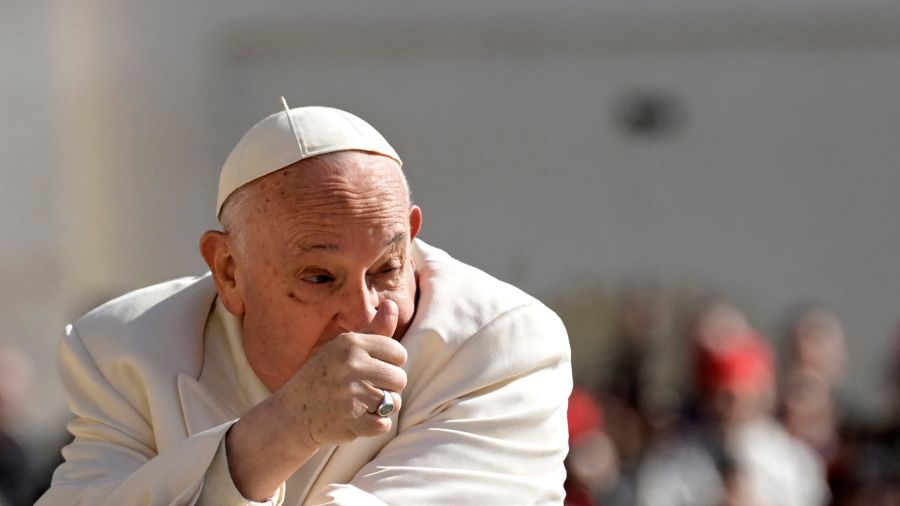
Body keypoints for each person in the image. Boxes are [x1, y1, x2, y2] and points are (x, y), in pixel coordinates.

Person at [37, 103, 572, 505]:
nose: (365, 314)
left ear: (410, 236)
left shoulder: (504, 345)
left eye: (387, 269)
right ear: (228, 271)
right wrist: (280, 431)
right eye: (319, 277)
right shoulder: (124, 351)